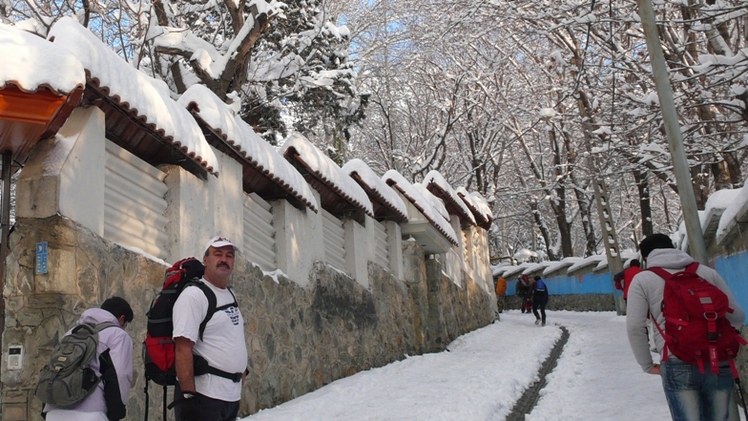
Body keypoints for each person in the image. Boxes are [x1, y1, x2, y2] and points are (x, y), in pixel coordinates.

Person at [626, 233, 745, 421]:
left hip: (677, 360)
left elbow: (635, 326)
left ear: (646, 257)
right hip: (718, 359)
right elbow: (737, 315)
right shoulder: (706, 273)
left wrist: (647, 364)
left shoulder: (643, 280)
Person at [172, 236, 249, 421]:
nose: (224, 259)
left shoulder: (230, 294)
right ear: (205, 260)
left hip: (230, 397)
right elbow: (183, 348)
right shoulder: (193, 296)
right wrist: (188, 396)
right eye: (218, 254)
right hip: (205, 397)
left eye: (229, 255)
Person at [44, 297, 134, 421]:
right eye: (126, 324)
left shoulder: (72, 332)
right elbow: (120, 376)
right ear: (122, 319)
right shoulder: (117, 335)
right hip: (91, 413)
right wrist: (116, 414)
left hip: (54, 411)